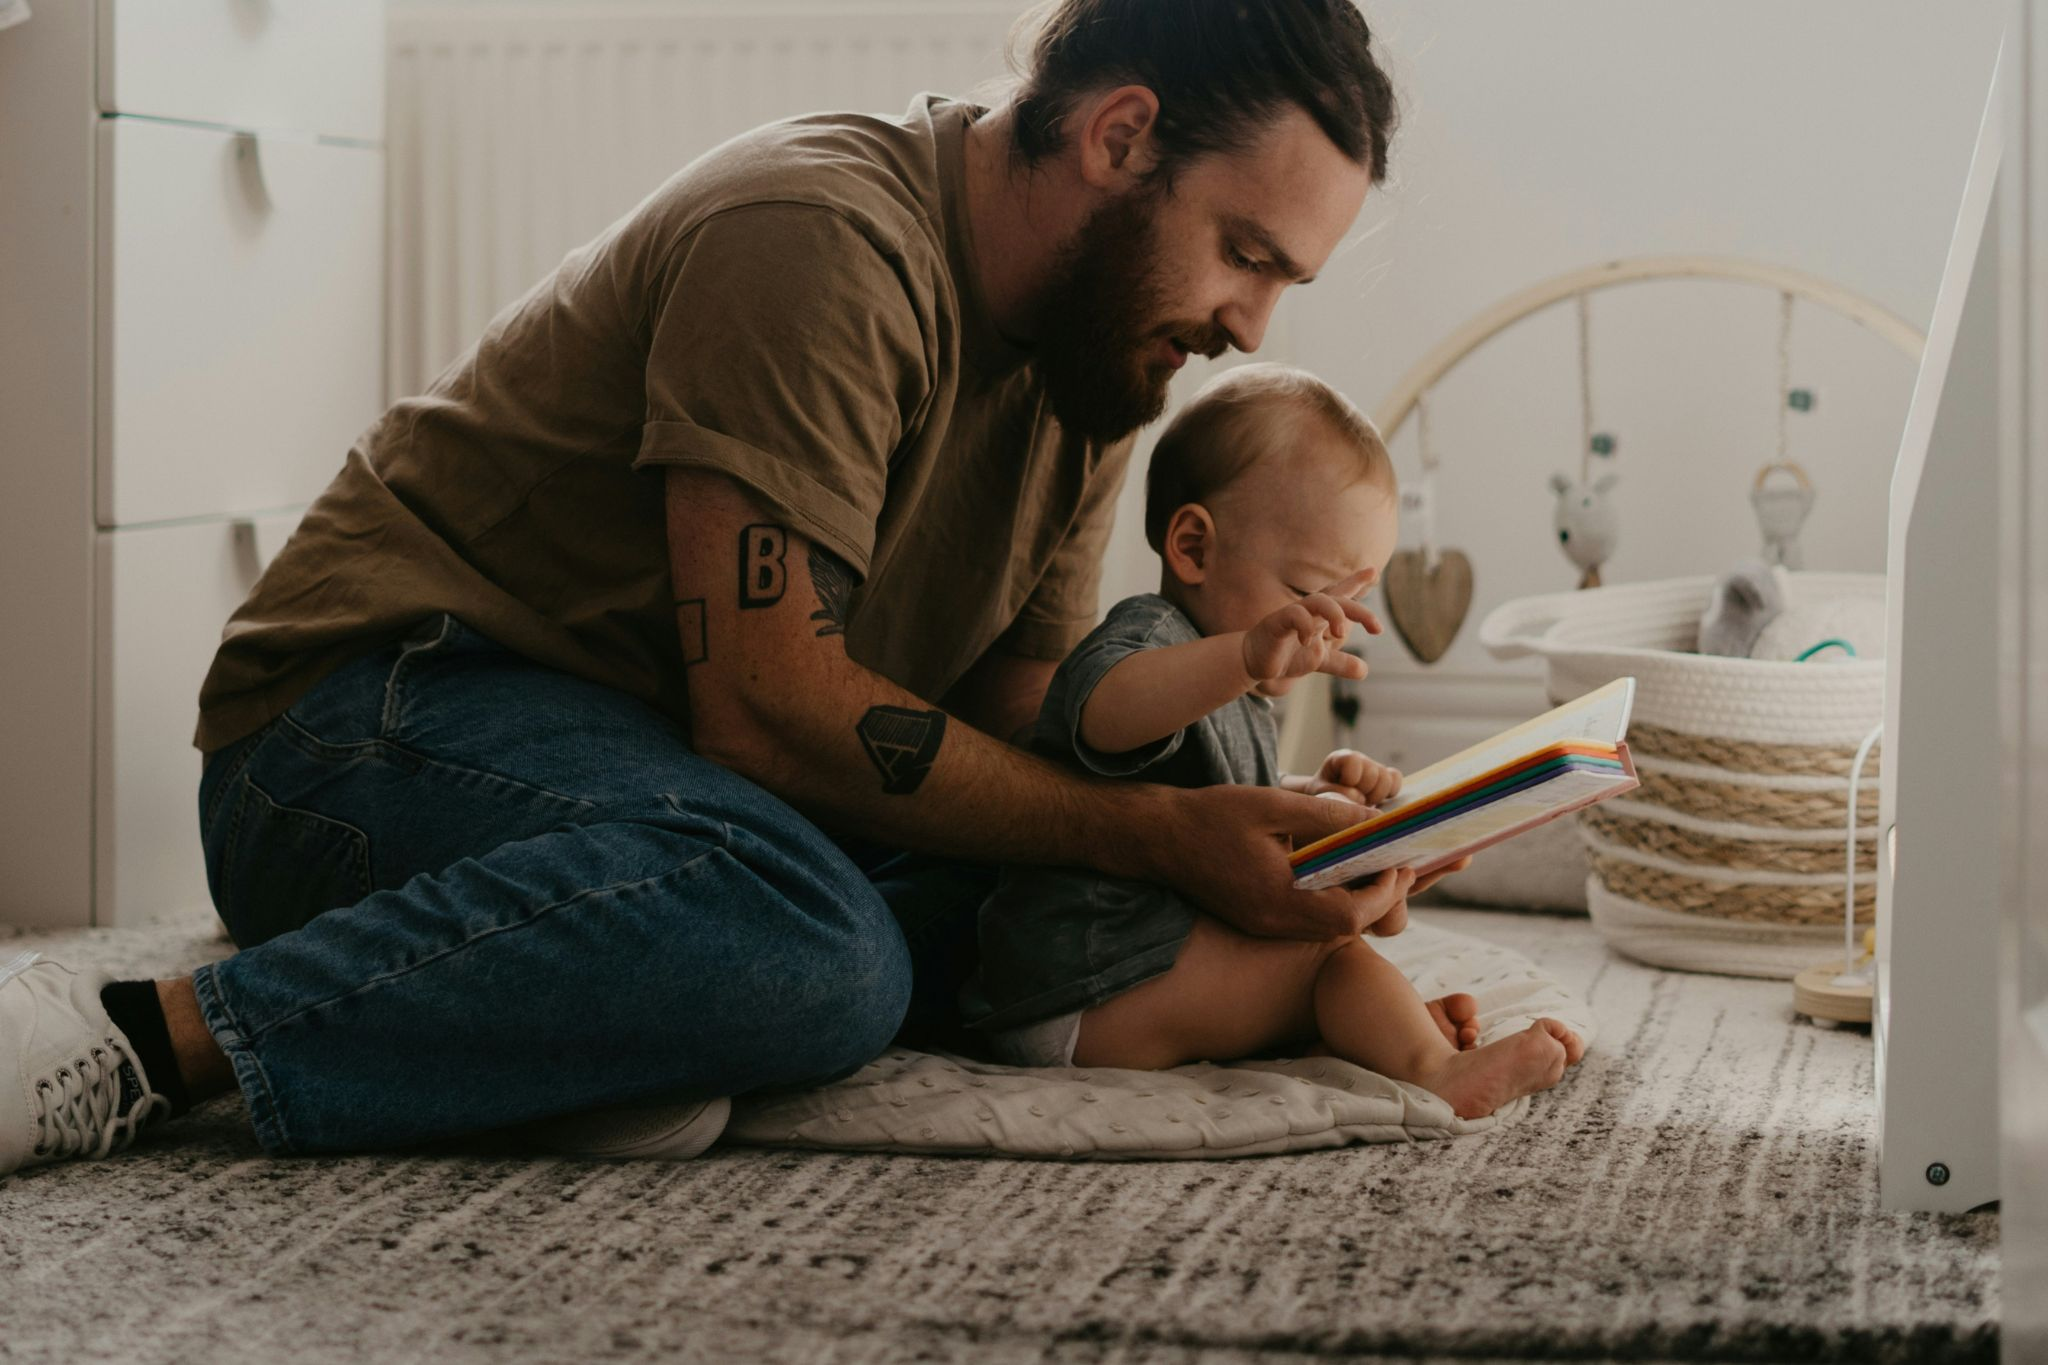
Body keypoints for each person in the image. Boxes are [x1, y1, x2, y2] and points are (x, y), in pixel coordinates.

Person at [0, 0, 1467, 1177]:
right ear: (1121, 135)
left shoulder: (1098, 359)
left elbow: (1015, 705)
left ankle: (570, 1039)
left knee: (1020, 925)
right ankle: (142, 1036)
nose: (1249, 324)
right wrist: (1161, 835)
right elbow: (770, 715)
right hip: (360, 726)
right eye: (1245, 253)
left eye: (1286, 284)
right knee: (821, 954)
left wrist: (1279, 830)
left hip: (658, 784)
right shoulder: (821, 239)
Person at [962, 366, 1584, 1117]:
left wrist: (1359, 836)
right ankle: (1430, 1067)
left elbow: (1228, 813)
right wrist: (1245, 657)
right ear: (1192, 546)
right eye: (1305, 595)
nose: (1326, 631)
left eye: (1350, 605)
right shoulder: (1156, 641)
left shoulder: (1242, 689)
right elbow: (1098, 713)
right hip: (1078, 987)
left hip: (1138, 974)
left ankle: (1387, 1030)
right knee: (1327, 962)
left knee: (1343, 944)